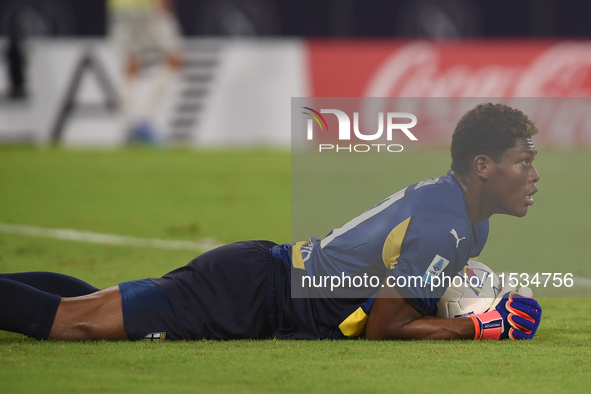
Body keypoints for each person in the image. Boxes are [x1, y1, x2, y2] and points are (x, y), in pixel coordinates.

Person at [0, 103, 542, 342]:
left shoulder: (467, 222)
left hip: (261, 288)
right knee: (74, 323)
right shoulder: (445, 220)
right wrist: (480, 326)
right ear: (483, 168)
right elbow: (385, 327)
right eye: (523, 162)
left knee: (95, 307)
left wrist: (475, 301)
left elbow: (408, 296)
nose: (533, 175)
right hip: (249, 291)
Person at [108, 0, 184, 142]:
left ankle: (125, 127)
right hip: (148, 6)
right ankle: (144, 121)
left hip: (120, 9)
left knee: (131, 65)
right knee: (175, 59)